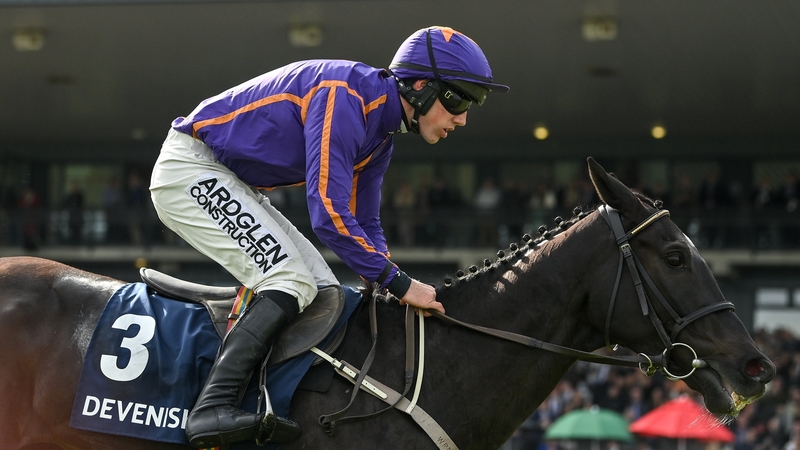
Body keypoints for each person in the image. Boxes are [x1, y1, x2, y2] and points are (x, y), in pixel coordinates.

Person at [149, 26, 508, 448]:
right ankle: (211, 408)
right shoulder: (345, 96)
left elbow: (366, 222)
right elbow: (329, 214)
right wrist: (400, 283)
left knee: (322, 289)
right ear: (421, 87)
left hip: (231, 181)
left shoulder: (381, 137)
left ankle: (263, 398)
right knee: (290, 280)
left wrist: (383, 282)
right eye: (458, 99)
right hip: (189, 169)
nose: (462, 117)